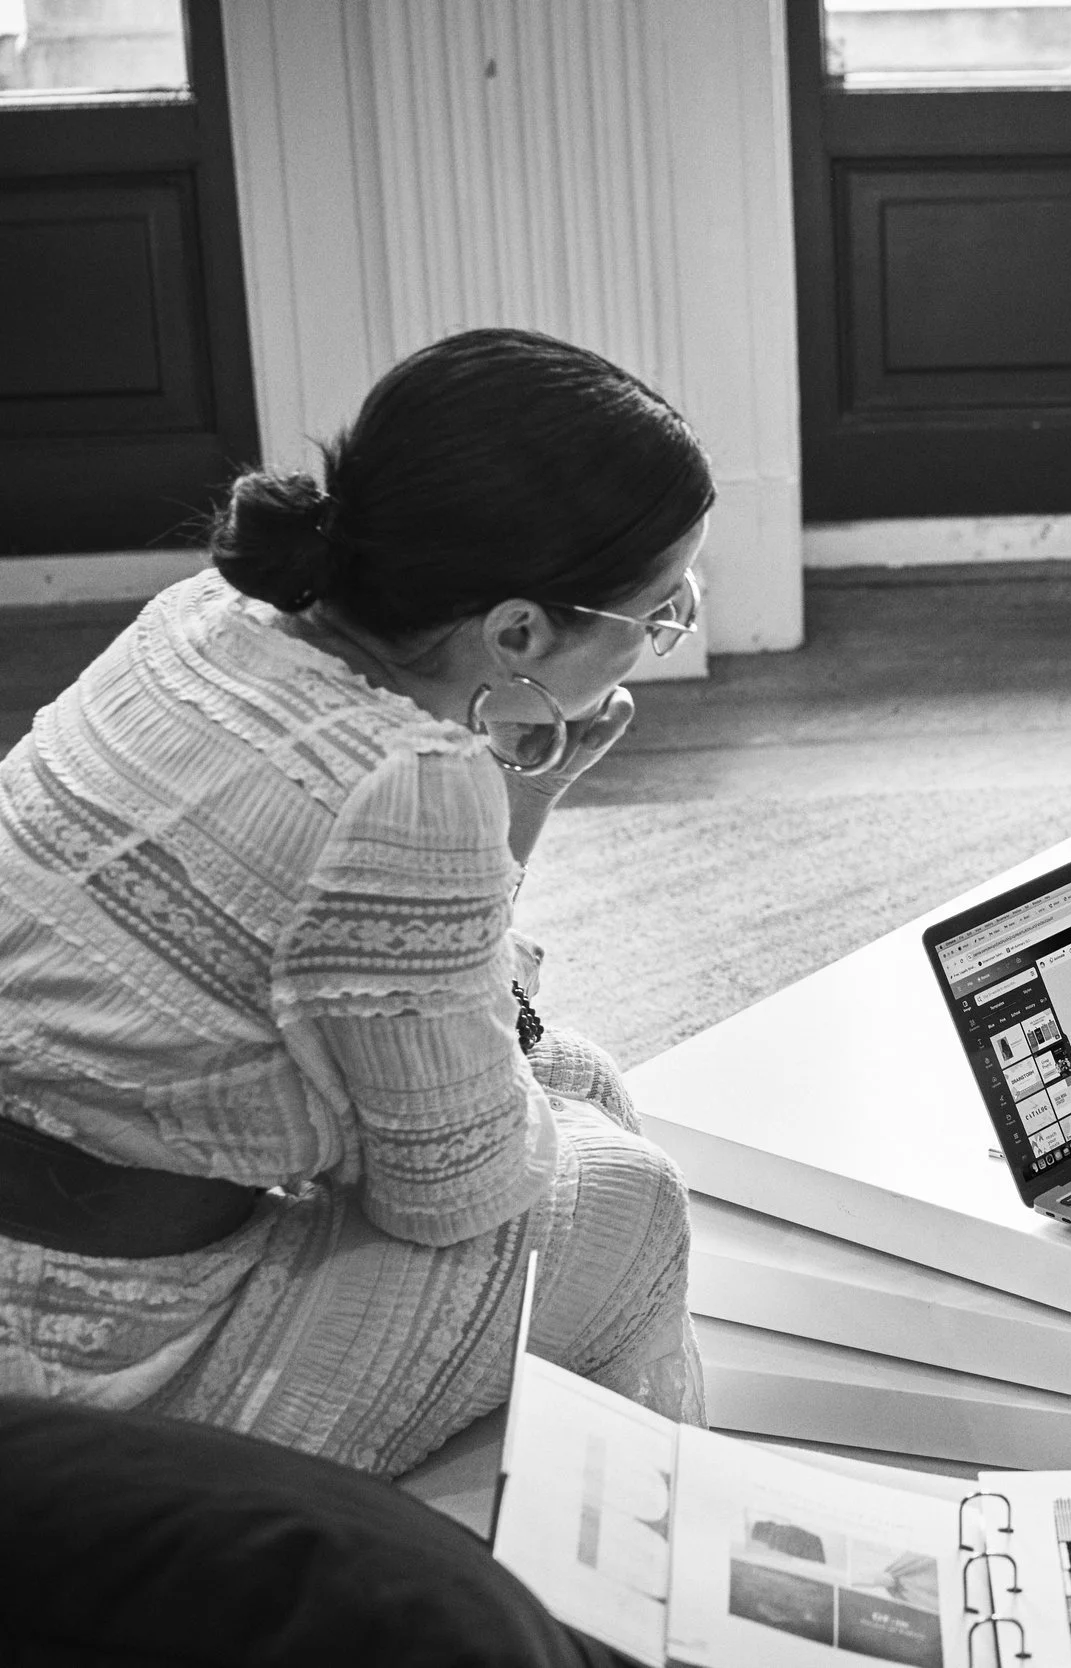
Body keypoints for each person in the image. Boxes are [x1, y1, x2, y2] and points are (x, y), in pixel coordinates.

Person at [0, 328, 710, 1475]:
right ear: (519, 633)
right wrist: (485, 834)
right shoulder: (408, 786)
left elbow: (370, 967)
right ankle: (636, 1583)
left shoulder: (208, 617)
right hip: (82, 1355)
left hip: (58, 1200)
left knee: (575, 1078)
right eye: (657, 615)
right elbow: (452, 1192)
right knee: (631, 1201)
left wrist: (520, 799)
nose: (662, 642)